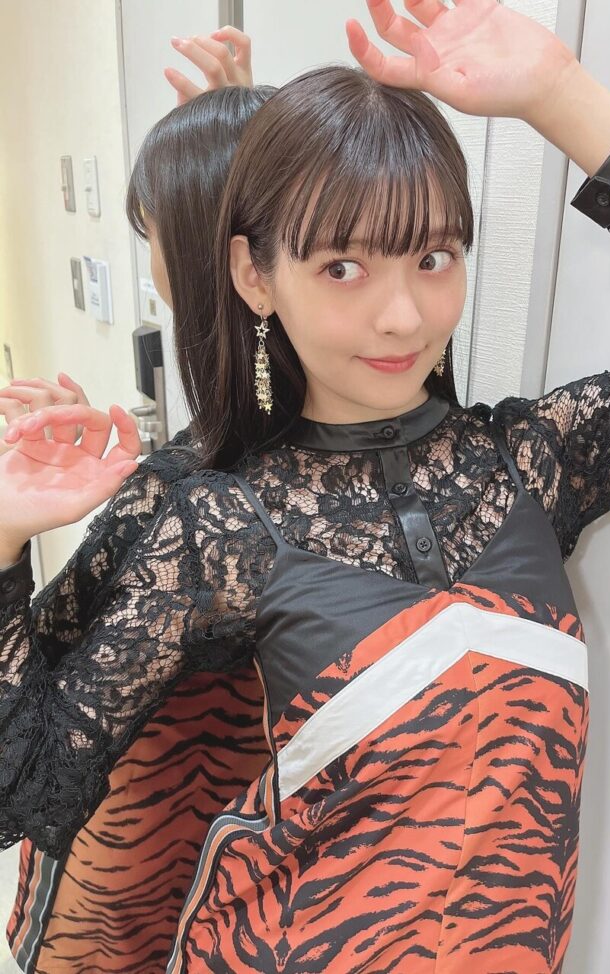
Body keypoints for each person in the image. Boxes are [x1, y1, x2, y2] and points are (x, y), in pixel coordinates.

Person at [1, 2, 610, 971]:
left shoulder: (528, 462)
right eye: (343, 266)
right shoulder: (218, 523)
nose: (403, 314)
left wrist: (557, 92)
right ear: (254, 275)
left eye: (432, 256)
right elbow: (27, 788)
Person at [2, 66, 276, 974]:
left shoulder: (186, 505)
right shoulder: (345, 458)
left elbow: (18, 766)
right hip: (229, 885)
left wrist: (5, 534)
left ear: (206, 259)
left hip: (121, 897)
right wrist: (238, 133)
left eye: (155, 233)